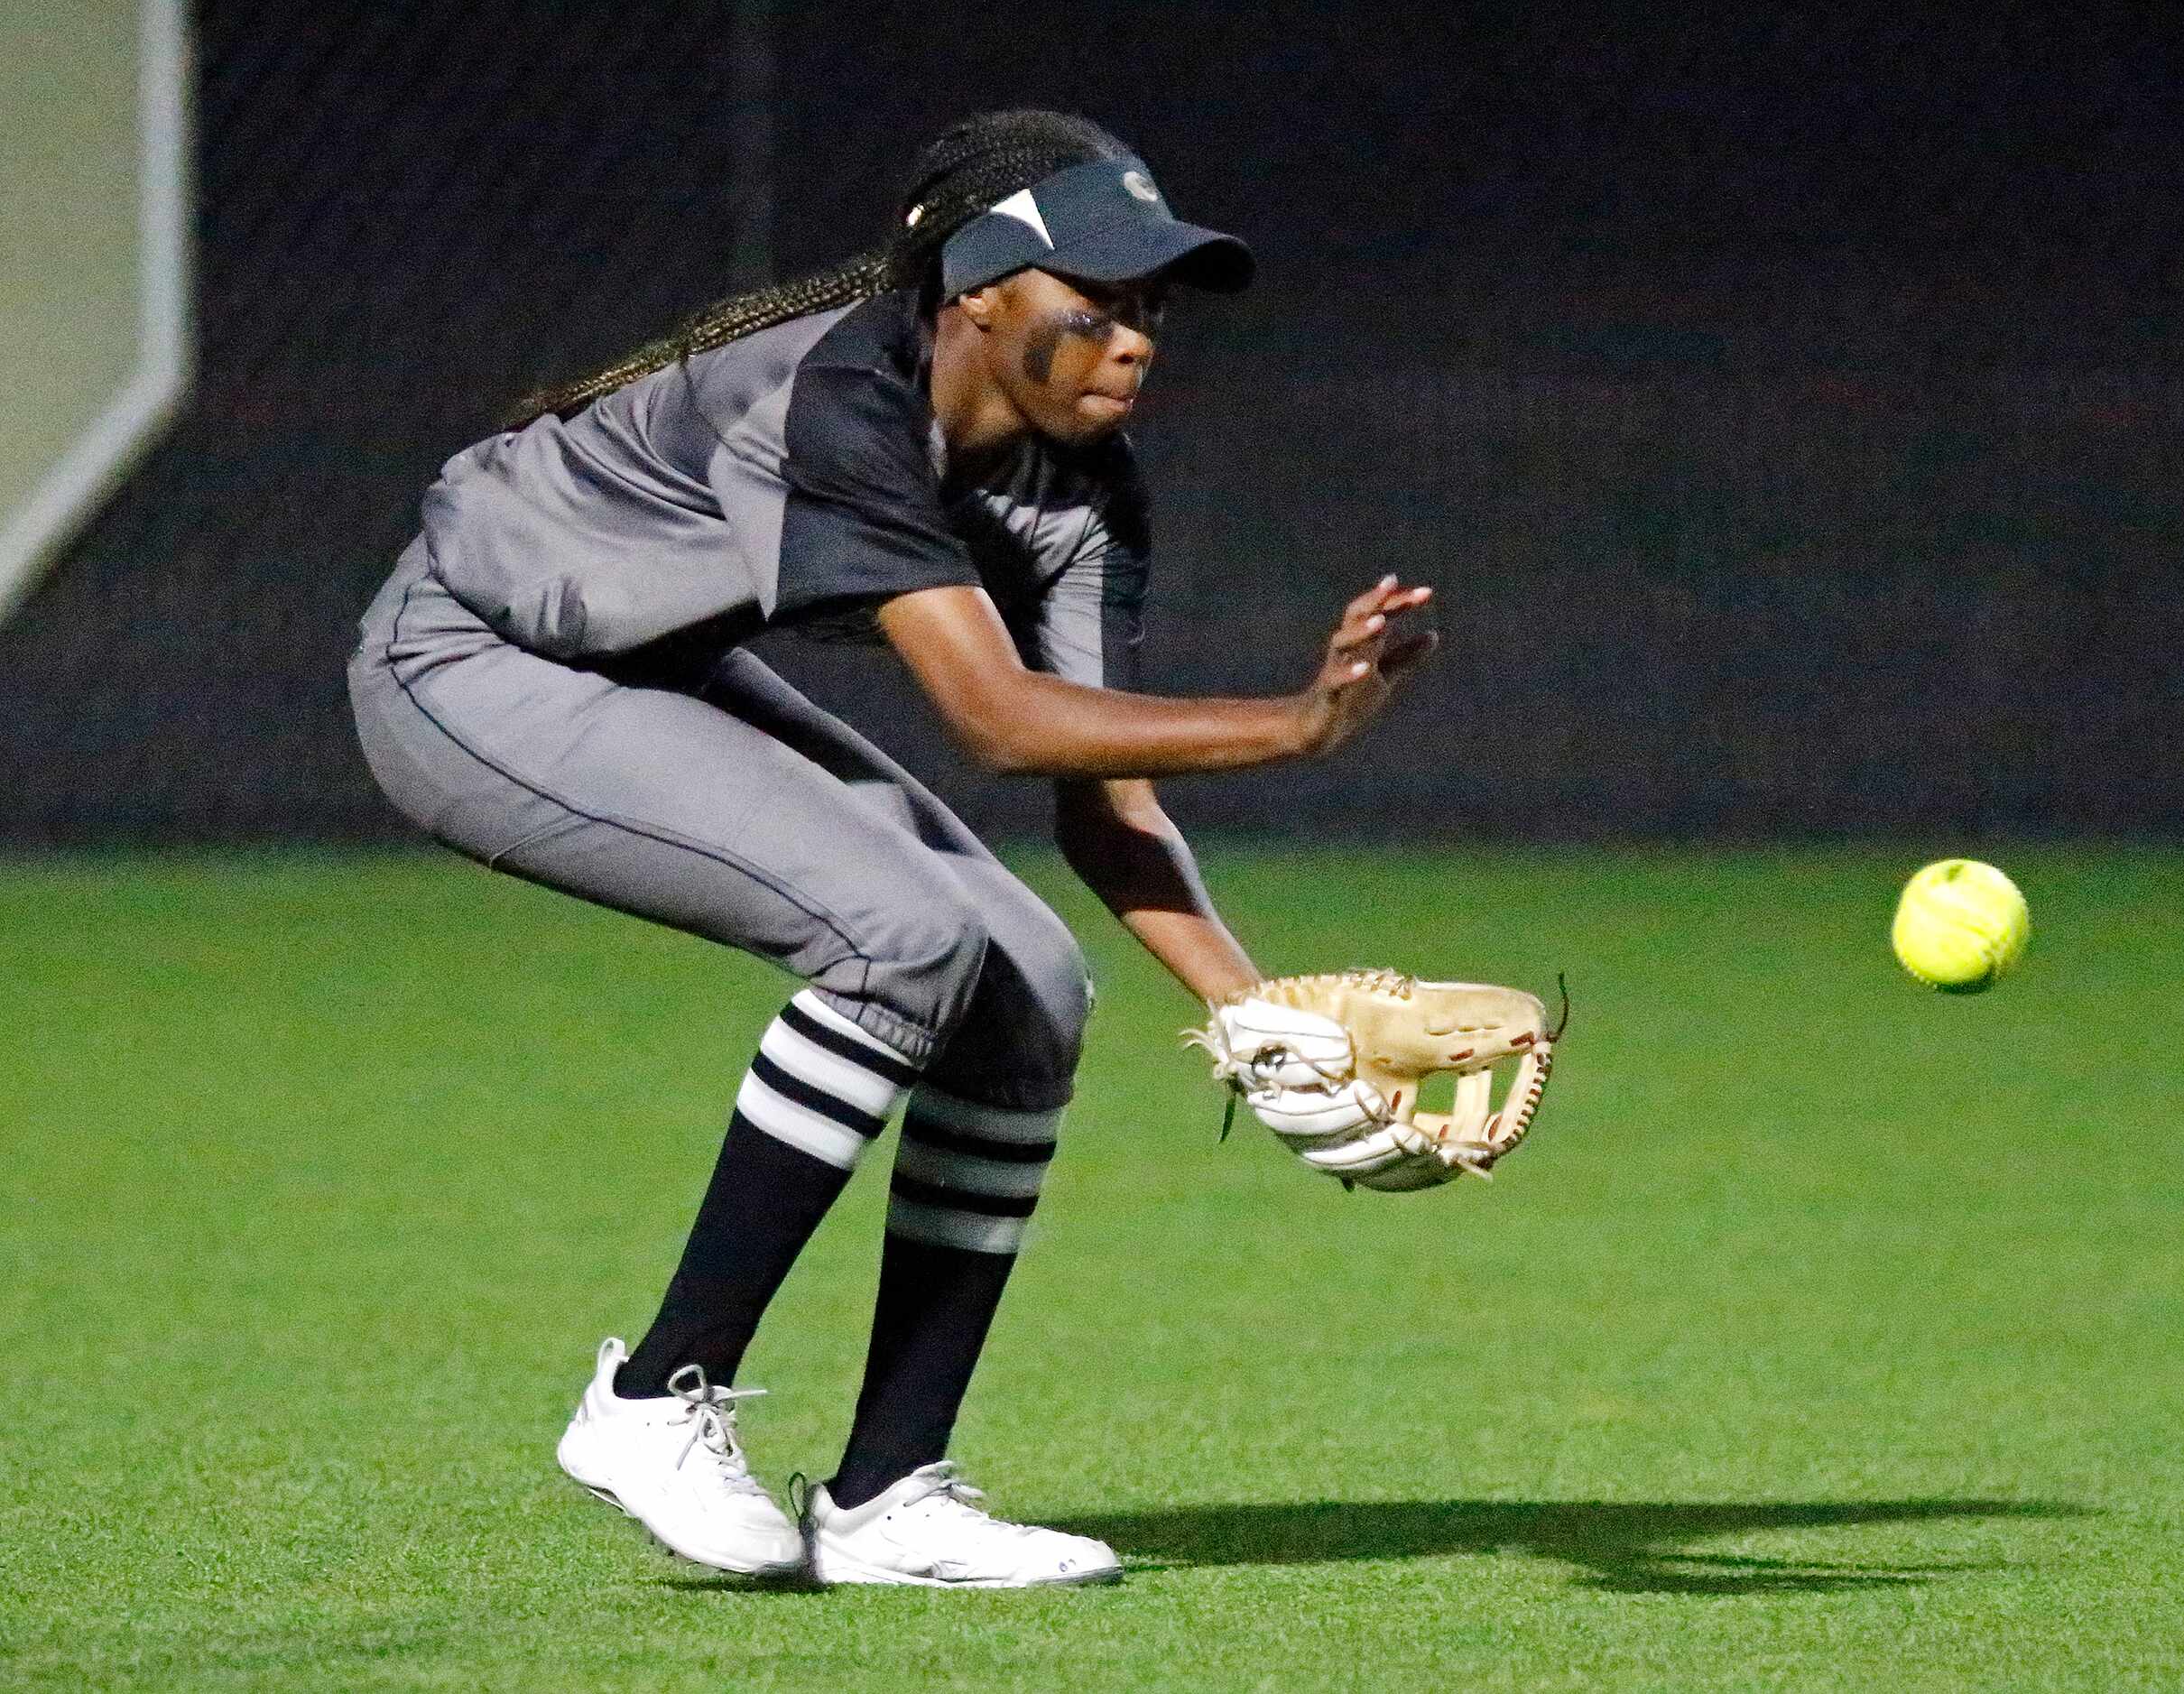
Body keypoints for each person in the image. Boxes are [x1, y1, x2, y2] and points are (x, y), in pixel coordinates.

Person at [346, 108, 1436, 1589]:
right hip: (465, 663)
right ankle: (654, 1395)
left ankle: (889, 1493)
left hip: (646, 666)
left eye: (1152, 303)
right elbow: (996, 722)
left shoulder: (1078, 492)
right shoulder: (840, 401)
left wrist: (1261, 1018)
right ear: (978, 290)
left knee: (1031, 985)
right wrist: (1296, 725)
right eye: (1094, 298)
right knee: (901, 936)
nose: (1135, 336)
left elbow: (1105, 801)